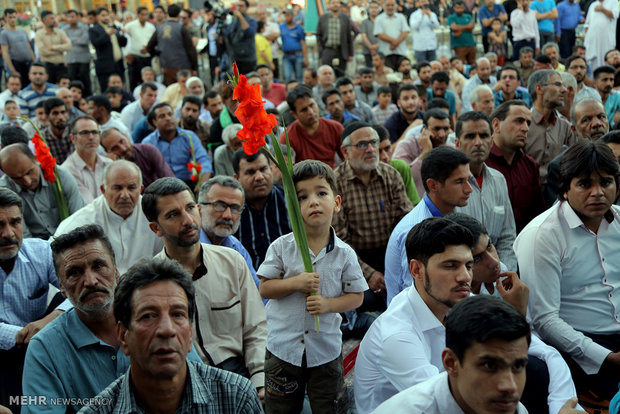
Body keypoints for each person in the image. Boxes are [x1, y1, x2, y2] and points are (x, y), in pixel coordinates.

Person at [81, 258, 262, 413]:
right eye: (148, 316)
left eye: (178, 314)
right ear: (123, 336)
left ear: (190, 334)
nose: (167, 330)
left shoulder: (237, 398)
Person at [258, 160, 367, 413]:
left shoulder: (344, 253)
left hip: (325, 351)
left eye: (321, 193)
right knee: (281, 408)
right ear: (292, 208)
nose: (313, 202)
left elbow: (357, 297)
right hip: (283, 350)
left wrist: (329, 304)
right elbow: (265, 288)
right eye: (302, 197)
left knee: (329, 407)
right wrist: (295, 283)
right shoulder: (281, 247)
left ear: (336, 203)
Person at [143, 177, 267, 399]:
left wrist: (260, 382)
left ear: (199, 209)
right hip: (187, 384)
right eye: (173, 215)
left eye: (190, 208)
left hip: (242, 373)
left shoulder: (232, 261)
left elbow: (256, 327)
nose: (188, 220)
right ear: (156, 228)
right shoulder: (151, 282)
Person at [514, 141, 620, 401]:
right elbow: (545, 320)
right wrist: (607, 357)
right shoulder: (543, 236)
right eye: (585, 184)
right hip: (580, 347)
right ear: (564, 190)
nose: (598, 193)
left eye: (606, 182)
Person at [371, 295, 532, 413]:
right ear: (450, 363)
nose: (509, 386)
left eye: (518, 366)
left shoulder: (513, 408)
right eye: (490, 366)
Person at [0, 188, 69, 411]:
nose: (9, 233)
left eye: (15, 222)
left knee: (67, 295)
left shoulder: (41, 252)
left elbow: (77, 294)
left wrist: (49, 321)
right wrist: (23, 335)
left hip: (42, 340)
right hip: (6, 352)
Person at [334, 122, 412, 310]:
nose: (370, 149)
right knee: (364, 301)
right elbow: (338, 240)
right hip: (354, 259)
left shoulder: (391, 175)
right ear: (345, 152)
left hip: (391, 253)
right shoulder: (335, 182)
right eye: (362, 144)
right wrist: (368, 274)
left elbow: (406, 223)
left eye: (374, 143)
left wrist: (397, 267)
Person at [384, 147, 472, 303]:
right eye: (459, 182)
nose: (469, 189)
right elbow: (413, 293)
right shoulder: (414, 229)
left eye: (468, 180)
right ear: (433, 186)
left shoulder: (455, 211)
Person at [54, 157, 163, 271]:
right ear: (103, 190)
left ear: (140, 189)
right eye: (118, 188)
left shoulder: (155, 214)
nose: (125, 195)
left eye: (131, 188)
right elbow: (55, 258)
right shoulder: (83, 221)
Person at [486, 100, 544, 232]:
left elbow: (538, 214)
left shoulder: (530, 166)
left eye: (528, 123)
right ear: (496, 125)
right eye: (519, 121)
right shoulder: (481, 163)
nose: (525, 128)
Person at [544, 98, 610, 207]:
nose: (597, 124)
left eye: (601, 117)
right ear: (574, 129)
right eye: (586, 120)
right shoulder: (559, 166)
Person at [197, 176, 259, 289]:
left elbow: (256, 292)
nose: (228, 215)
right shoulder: (186, 246)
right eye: (220, 206)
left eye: (235, 208)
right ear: (199, 209)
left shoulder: (236, 247)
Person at [233, 150, 292, 268]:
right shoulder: (231, 211)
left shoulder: (290, 201)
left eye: (263, 169)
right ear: (236, 178)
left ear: (271, 169)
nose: (259, 177)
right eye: (250, 172)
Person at [142, 103, 212, 189]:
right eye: (162, 116)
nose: (168, 118)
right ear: (155, 122)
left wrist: (202, 183)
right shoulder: (148, 143)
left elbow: (203, 160)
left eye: (170, 114)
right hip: (161, 188)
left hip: (188, 185)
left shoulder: (189, 136)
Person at [526, 70, 576, 186]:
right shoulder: (523, 124)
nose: (564, 90)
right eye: (558, 84)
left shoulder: (565, 127)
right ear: (539, 89)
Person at [392, 108, 453, 197]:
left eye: (446, 129)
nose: (442, 134)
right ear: (424, 129)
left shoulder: (451, 149)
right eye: (436, 129)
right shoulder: (406, 146)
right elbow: (404, 179)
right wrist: (425, 152)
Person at [281, 86, 344, 168]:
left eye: (312, 105)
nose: (310, 112)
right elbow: (287, 171)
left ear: (316, 102)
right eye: (304, 110)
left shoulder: (335, 128)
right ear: (294, 114)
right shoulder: (287, 137)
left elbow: (347, 158)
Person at [61, 115, 113, 204]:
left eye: (95, 132)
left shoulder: (109, 165)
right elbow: (88, 206)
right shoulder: (67, 170)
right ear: (73, 138)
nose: (91, 137)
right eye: (85, 133)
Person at [100, 127, 173, 189]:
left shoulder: (147, 150)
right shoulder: (108, 167)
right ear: (107, 151)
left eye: (122, 141)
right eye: (115, 148)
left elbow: (170, 180)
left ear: (126, 136)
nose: (123, 149)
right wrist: (115, 165)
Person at [146, 4, 197, 87]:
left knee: (171, 89)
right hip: (183, 66)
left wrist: (158, 54)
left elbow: (149, 47)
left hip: (167, 66)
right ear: (178, 14)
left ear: (167, 14)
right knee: (185, 89)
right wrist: (194, 66)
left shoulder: (159, 29)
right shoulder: (182, 28)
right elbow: (190, 49)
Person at [89, 7, 127, 93]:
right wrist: (107, 34)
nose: (106, 17)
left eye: (107, 15)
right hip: (105, 66)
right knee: (107, 91)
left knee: (120, 91)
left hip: (118, 65)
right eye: (103, 15)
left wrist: (123, 35)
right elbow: (96, 43)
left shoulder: (113, 27)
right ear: (98, 17)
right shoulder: (94, 29)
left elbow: (123, 44)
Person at [315, 0, 354, 77]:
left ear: (339, 5)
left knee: (341, 75)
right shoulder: (323, 18)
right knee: (327, 75)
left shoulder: (345, 18)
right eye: (333, 3)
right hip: (327, 51)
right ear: (329, 5)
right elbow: (318, 35)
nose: (335, 5)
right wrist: (321, 51)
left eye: (337, 3)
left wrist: (350, 54)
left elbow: (349, 37)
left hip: (341, 51)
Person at [123, 6, 156, 91]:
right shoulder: (130, 26)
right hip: (135, 58)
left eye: (146, 14)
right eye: (142, 14)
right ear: (137, 15)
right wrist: (126, 54)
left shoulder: (151, 27)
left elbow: (154, 41)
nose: (144, 16)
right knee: (134, 81)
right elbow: (124, 40)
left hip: (148, 58)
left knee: (148, 81)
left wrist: (148, 48)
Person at [34, 11, 71, 84]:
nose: (54, 20)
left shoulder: (60, 32)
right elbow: (42, 51)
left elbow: (68, 46)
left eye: (54, 18)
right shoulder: (39, 34)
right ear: (44, 20)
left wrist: (53, 47)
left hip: (61, 66)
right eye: (51, 18)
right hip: (47, 66)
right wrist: (60, 49)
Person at [0, 8, 35, 83]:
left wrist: (34, 61)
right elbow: (5, 53)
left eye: (14, 17)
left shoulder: (22, 31)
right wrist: (13, 70)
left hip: (28, 64)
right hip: (16, 65)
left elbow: (28, 47)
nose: (12, 19)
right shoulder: (4, 33)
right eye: (10, 17)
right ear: (6, 18)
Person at [584, 0, 619, 71]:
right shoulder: (593, 5)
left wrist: (602, 9)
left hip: (607, 41)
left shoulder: (613, 2)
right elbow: (587, 24)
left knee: (608, 60)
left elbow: (615, 15)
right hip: (593, 42)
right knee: (593, 63)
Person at [225, 0, 257, 75]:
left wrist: (240, 16)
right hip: (236, 58)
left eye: (241, 6)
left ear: (247, 7)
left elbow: (248, 32)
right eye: (238, 6)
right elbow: (228, 35)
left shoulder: (251, 21)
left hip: (248, 59)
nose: (239, 8)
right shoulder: (234, 21)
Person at [360, 1, 380, 68]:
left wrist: (376, 46)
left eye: (375, 7)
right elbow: (363, 36)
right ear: (368, 9)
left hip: (381, 51)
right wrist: (371, 48)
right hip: (368, 52)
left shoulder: (382, 22)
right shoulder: (364, 22)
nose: (373, 9)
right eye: (371, 8)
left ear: (379, 9)